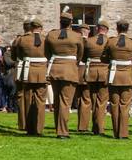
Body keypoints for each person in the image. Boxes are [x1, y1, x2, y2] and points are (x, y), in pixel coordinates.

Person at [43, 8, 84, 139]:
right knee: (65, 102)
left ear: (60, 22)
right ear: (71, 22)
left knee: (56, 100)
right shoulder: (77, 36)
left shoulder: (51, 35)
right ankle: (63, 131)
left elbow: (47, 53)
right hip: (69, 70)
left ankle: (58, 128)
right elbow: (80, 55)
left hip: (54, 68)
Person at [11, 18, 48, 135]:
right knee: (41, 101)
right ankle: (39, 128)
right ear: (41, 28)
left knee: (27, 99)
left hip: (27, 72)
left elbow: (15, 56)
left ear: (31, 28)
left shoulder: (21, 40)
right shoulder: (46, 40)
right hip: (42, 72)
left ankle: (29, 128)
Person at [103, 20, 132, 138]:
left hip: (114, 75)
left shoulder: (111, 41)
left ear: (117, 29)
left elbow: (104, 57)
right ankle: (123, 133)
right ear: (127, 29)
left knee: (114, 104)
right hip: (127, 76)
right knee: (125, 105)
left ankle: (116, 132)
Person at [79, 21, 110, 135]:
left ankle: (93, 126)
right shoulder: (110, 41)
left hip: (91, 72)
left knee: (92, 100)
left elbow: (83, 58)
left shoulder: (89, 41)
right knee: (101, 102)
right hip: (105, 72)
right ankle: (99, 128)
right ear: (107, 29)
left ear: (97, 29)